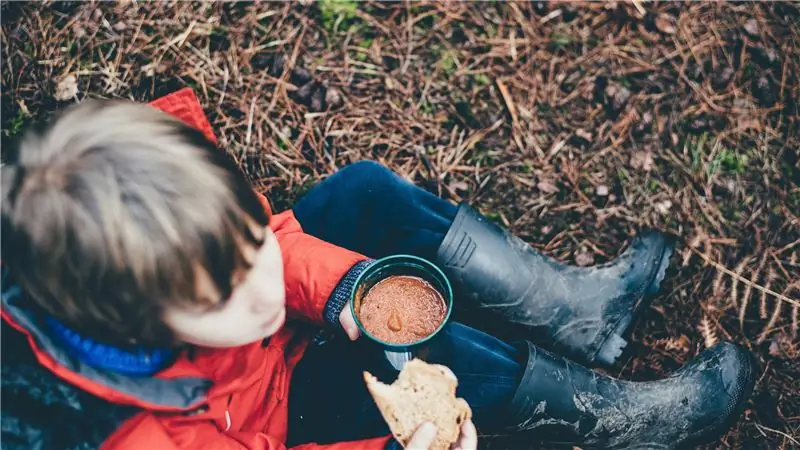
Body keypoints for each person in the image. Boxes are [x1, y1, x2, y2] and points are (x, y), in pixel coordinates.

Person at [1, 89, 755, 450]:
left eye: (249, 249)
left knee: (361, 193)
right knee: (441, 365)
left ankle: (581, 313)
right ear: (136, 325)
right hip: (276, 427)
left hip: (275, 356)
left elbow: (276, 237)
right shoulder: (134, 436)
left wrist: (337, 292)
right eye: (230, 291)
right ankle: (619, 426)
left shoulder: (161, 211)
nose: (263, 286)